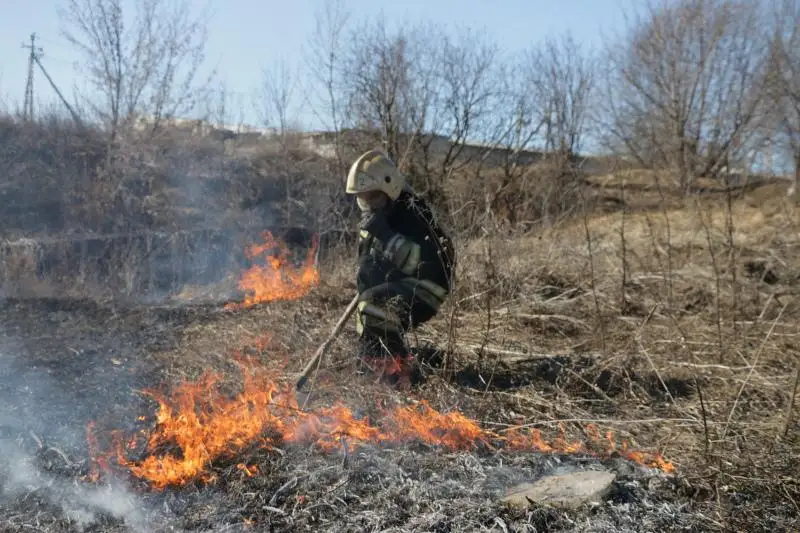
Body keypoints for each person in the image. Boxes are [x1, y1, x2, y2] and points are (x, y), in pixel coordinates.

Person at [345, 149, 456, 389]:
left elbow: (416, 262)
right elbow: (366, 269)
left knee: (376, 304)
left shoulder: (412, 213)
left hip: (427, 287)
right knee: (370, 307)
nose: (369, 204)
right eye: (364, 198)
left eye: (374, 197)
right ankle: (374, 368)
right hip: (400, 285)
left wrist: (384, 234)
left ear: (390, 187)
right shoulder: (376, 219)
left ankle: (396, 375)